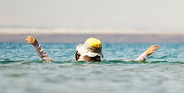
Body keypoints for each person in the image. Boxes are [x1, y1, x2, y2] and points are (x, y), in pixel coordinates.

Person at [25, 36, 160, 62]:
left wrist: (37, 46)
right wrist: (145, 54)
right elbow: (131, 62)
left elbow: (49, 63)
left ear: (81, 53)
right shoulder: (105, 65)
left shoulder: (77, 65)